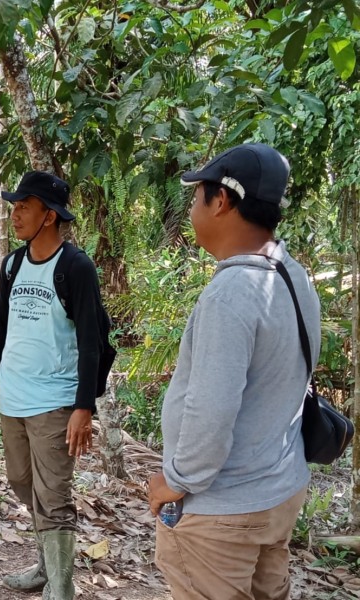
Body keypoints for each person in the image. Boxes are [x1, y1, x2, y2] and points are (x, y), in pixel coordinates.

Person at [147, 144, 319, 600]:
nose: (192, 207)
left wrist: (175, 482)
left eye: (196, 195)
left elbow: (212, 411)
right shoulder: (293, 277)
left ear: (221, 201)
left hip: (223, 511)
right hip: (277, 490)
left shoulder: (230, 295)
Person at [0, 171, 112, 600]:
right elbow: (0, 326)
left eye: (23, 208)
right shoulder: (12, 264)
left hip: (55, 401)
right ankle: (47, 567)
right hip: (13, 397)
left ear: (48, 216)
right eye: (14, 208)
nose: (14, 216)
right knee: (21, 482)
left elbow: (92, 342)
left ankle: (61, 588)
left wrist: (83, 407)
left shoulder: (75, 267)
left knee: (55, 496)